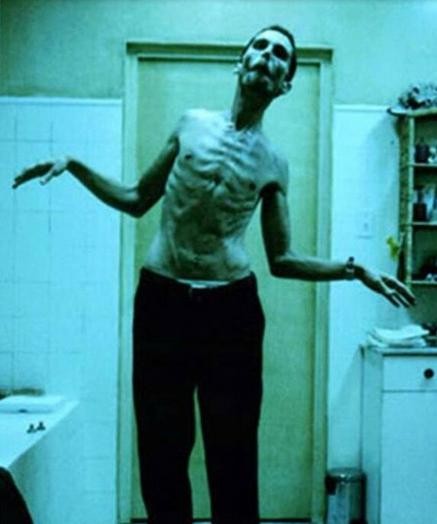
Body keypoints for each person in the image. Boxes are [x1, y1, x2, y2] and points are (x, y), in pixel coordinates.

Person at [13, 25, 415, 524]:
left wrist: (354, 270)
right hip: (162, 304)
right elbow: (136, 199)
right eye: (260, 46)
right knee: (161, 451)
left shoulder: (274, 163)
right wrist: (75, 165)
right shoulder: (191, 125)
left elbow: (282, 259)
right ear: (241, 62)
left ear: (285, 84)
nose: (267, 56)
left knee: (233, 454)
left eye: (280, 55)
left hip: (231, 314)